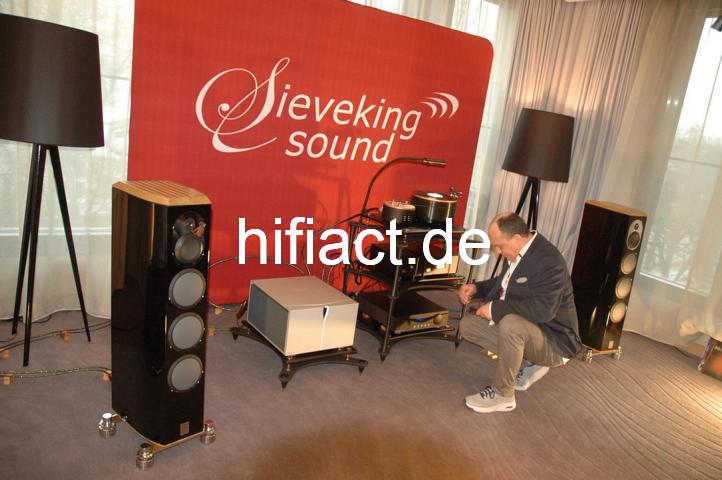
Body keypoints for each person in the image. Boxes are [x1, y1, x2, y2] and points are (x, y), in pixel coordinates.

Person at [458, 212, 581, 413]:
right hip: (532, 330)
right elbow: (504, 283)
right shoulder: (517, 252)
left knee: (511, 325)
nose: (497, 251)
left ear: (516, 238)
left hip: (555, 340)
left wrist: (495, 309)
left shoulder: (549, 262)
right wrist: (477, 288)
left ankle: (502, 395)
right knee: (468, 326)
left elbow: (543, 311)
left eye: (499, 246)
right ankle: (530, 361)